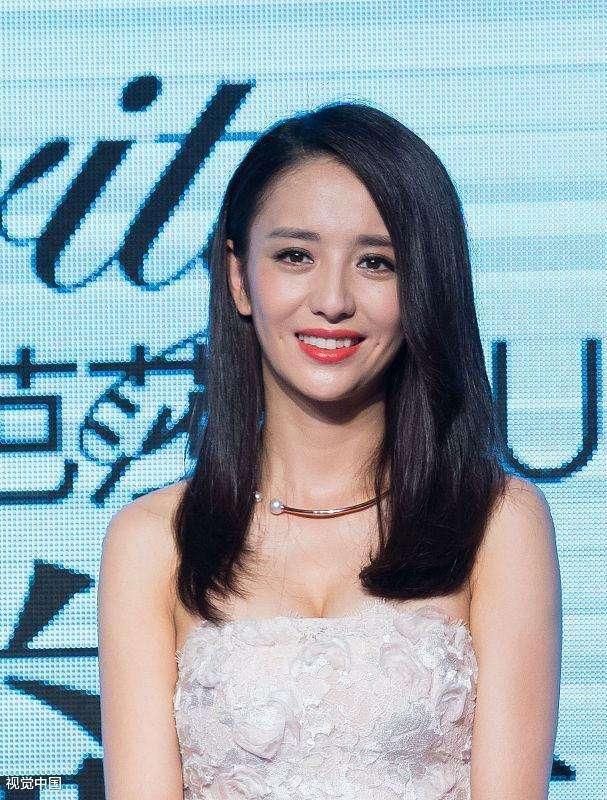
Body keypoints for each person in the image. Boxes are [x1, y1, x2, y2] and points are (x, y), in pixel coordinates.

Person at [97, 101, 562, 799]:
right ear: (237, 277)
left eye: (376, 262)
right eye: (295, 256)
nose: (333, 300)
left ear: (421, 286)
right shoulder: (153, 538)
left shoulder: (496, 521)